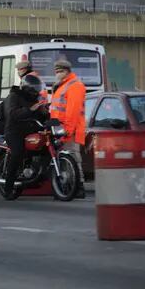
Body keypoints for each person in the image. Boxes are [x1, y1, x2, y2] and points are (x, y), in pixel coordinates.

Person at [2, 74, 50, 199]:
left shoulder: (35, 99)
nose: (36, 91)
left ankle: (40, 174)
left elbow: (38, 115)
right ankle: (8, 187)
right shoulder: (14, 96)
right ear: (28, 88)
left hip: (30, 129)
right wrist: (31, 109)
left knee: (46, 146)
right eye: (34, 89)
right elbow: (12, 114)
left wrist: (44, 113)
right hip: (14, 131)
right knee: (17, 153)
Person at [49, 59, 87, 198]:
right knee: (65, 159)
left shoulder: (75, 86)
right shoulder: (61, 86)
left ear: (67, 71)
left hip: (70, 130)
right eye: (56, 71)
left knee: (73, 157)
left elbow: (73, 111)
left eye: (60, 71)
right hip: (60, 130)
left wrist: (67, 131)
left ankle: (79, 187)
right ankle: (67, 186)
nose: (57, 74)